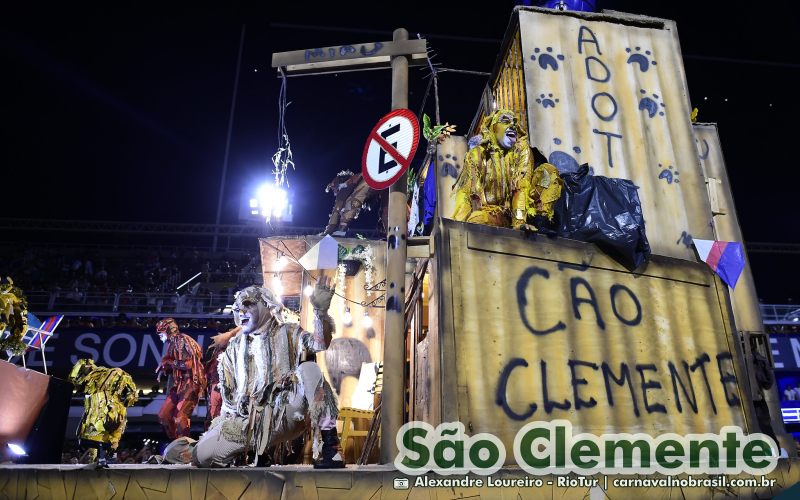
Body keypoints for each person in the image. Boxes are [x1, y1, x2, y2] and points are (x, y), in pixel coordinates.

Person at [190, 277, 343, 468]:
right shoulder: (234, 348)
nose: (240, 311)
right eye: (237, 308)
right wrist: (224, 426)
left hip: (286, 411)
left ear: (265, 306)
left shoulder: (288, 331)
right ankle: (257, 453)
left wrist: (320, 311)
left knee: (308, 368)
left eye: (247, 305)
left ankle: (331, 447)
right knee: (201, 456)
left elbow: (319, 343)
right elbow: (229, 400)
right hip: (249, 423)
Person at [452, 109, 532, 228]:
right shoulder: (476, 155)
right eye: (505, 121)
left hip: (523, 213)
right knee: (478, 219)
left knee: (548, 172)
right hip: (493, 214)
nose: (512, 125)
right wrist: (457, 227)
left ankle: (542, 220)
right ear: (493, 128)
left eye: (514, 122)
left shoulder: (520, 151)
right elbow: (465, 193)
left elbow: (521, 187)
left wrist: (519, 222)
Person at [68, 359, 138, 466]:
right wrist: (123, 404)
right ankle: (105, 455)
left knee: (92, 436)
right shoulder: (121, 374)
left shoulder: (93, 376)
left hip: (98, 410)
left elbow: (73, 381)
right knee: (110, 436)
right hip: (117, 410)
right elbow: (132, 395)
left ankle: (99, 458)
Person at [155, 318, 207, 439]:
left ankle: (183, 448)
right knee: (164, 415)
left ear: (167, 330)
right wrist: (166, 367)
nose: (159, 336)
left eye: (160, 332)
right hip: (179, 384)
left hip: (191, 383)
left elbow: (187, 364)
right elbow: (176, 364)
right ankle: (176, 444)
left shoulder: (181, 339)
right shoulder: (173, 344)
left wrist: (169, 362)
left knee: (181, 416)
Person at [319, 170, 377, 236]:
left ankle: (341, 229)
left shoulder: (344, 185)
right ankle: (335, 229)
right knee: (342, 207)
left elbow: (337, 209)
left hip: (366, 180)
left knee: (350, 203)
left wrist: (329, 230)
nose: (334, 192)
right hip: (363, 182)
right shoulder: (344, 187)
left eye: (334, 189)